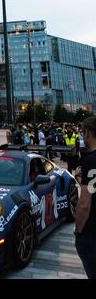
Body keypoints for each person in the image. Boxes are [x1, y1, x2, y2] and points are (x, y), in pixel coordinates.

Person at [75, 117, 96, 279]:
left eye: (83, 133)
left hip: (91, 233)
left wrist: (78, 232)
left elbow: (84, 204)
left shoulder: (90, 159)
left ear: (88, 133)